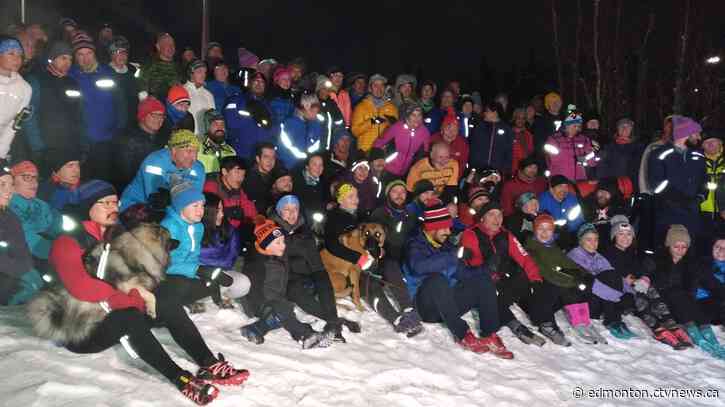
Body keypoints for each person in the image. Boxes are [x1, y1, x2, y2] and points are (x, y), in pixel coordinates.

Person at [48, 180, 248, 404]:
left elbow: (134, 277)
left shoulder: (115, 237)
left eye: (115, 202)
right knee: (129, 316)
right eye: (104, 203)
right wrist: (131, 299)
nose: (113, 208)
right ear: (87, 207)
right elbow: (82, 287)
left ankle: (209, 362)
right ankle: (180, 378)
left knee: (166, 300)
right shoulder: (67, 241)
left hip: (110, 314)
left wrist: (143, 295)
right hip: (80, 328)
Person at [403, 200, 513, 358]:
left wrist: (487, 269)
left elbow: (464, 273)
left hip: (448, 306)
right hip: (426, 308)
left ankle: (490, 334)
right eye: (444, 227)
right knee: (437, 279)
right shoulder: (415, 244)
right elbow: (419, 267)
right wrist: (455, 255)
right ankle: (463, 335)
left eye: (449, 227)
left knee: (482, 280)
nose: (448, 231)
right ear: (432, 227)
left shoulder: (446, 246)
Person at [325, 183, 423, 336]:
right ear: (340, 200)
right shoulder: (336, 217)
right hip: (350, 266)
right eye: (350, 197)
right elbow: (332, 245)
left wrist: (381, 251)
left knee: (390, 266)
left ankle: (408, 308)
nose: (356, 200)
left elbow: (374, 237)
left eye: (356, 196)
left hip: (369, 260)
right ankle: (396, 319)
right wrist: (359, 258)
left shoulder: (356, 214)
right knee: (370, 284)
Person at [270, 195, 360, 342]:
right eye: (287, 209)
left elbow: (316, 264)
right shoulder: (272, 231)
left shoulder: (304, 230)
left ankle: (333, 325)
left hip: (303, 274)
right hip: (284, 278)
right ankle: (335, 321)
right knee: (295, 289)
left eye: (295, 209)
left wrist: (319, 275)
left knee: (322, 278)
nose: (292, 213)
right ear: (279, 212)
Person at [240, 216, 334, 348]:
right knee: (283, 311)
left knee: (283, 312)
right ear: (265, 245)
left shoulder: (279, 254)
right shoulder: (257, 263)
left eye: (283, 241)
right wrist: (268, 306)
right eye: (278, 243)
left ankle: (256, 329)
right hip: (258, 303)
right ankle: (307, 336)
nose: (283, 245)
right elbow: (254, 291)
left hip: (276, 298)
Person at [459, 201, 545, 346]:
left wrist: (535, 278)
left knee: (525, 279)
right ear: (482, 218)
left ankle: (541, 319)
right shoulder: (471, 234)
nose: (496, 219)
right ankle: (515, 324)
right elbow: (473, 265)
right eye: (491, 215)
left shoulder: (506, 235)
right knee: (492, 294)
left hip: (503, 279)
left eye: (499, 215)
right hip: (482, 281)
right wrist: (490, 272)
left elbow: (523, 257)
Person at [602, 216, 692, 348]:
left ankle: (671, 324)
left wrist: (644, 278)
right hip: (617, 293)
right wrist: (632, 280)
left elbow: (639, 271)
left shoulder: (631, 253)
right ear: (614, 236)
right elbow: (610, 275)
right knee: (640, 293)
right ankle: (657, 329)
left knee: (650, 289)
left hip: (632, 287)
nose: (625, 237)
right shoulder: (608, 253)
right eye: (620, 234)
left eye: (629, 234)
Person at [653, 225, 725, 358]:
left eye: (684, 246)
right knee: (677, 292)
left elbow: (712, 283)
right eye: (676, 246)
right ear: (669, 245)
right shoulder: (657, 260)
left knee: (688, 298)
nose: (680, 250)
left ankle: (711, 339)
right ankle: (697, 337)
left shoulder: (692, 263)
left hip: (687, 308)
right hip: (665, 308)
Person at [524, 214, 591, 346]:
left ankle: (581, 319)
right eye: (541, 229)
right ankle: (547, 325)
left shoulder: (552, 247)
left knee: (575, 287)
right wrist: (571, 280)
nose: (544, 233)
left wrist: (584, 274)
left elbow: (567, 262)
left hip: (551, 295)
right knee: (554, 286)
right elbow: (548, 274)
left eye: (548, 229)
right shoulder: (532, 248)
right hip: (535, 299)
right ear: (535, 230)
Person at [68, 31, 126, 181]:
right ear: (75, 57)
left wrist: (118, 133)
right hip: (80, 143)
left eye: (88, 53)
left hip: (106, 141)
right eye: (80, 54)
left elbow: (121, 106)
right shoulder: (70, 76)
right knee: (82, 183)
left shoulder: (109, 73)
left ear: (94, 54)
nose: (85, 58)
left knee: (103, 182)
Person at [566, 223, 633, 343]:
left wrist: (629, 292)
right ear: (581, 241)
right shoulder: (574, 256)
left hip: (599, 300)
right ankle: (611, 319)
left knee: (611, 273)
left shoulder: (598, 256)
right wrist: (618, 297)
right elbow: (592, 283)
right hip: (584, 300)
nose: (593, 243)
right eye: (589, 240)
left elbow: (614, 275)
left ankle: (614, 318)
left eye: (596, 239)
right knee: (606, 276)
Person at [24, 41, 83, 175]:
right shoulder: (36, 80)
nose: (67, 62)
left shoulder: (73, 83)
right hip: (46, 148)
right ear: (52, 58)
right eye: (63, 58)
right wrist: (37, 147)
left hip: (69, 147)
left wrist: (82, 143)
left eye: (70, 59)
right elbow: (29, 117)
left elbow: (80, 115)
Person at [648, 116, 705, 247]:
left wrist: (700, 197)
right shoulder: (660, 154)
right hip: (668, 213)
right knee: (667, 250)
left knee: (690, 249)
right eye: (696, 133)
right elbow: (657, 185)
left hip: (693, 213)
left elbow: (705, 181)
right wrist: (680, 200)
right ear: (685, 133)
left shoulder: (698, 156)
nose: (699, 138)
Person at [120, 129, 205, 212]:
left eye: (196, 152)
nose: (194, 158)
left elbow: (195, 200)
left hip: (170, 209)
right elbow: (156, 199)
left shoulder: (198, 168)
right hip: (133, 207)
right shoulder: (155, 162)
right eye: (189, 151)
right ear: (174, 150)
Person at [0, 163, 41, 305]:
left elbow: (22, 251)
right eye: (2, 184)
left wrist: (27, 271)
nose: (9, 190)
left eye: (11, 185)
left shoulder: (10, 217)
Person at [9, 161, 62, 268]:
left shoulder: (42, 205)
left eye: (35, 178)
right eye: (27, 177)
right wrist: (58, 252)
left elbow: (56, 224)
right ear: (12, 181)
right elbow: (25, 235)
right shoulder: (7, 205)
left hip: (48, 253)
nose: (34, 183)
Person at [112, 96, 167, 191]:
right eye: (154, 115)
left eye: (162, 115)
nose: (159, 119)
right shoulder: (128, 141)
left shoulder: (162, 138)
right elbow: (124, 176)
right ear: (143, 116)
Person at [373, 102, 430, 177]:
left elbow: (424, 153)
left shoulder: (424, 132)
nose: (417, 118)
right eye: (413, 115)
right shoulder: (396, 128)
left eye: (419, 115)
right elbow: (378, 144)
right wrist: (378, 163)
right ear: (407, 116)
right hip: (388, 169)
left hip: (408, 173)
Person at [224, 71, 272, 159]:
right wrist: (254, 118)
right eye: (256, 81)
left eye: (262, 82)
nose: (259, 84)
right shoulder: (236, 100)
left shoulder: (268, 106)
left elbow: (274, 127)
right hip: (241, 152)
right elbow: (231, 124)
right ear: (249, 83)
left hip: (262, 156)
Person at [203, 156, 257, 231]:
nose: (240, 178)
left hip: (230, 231)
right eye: (237, 172)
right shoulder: (210, 186)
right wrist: (233, 212)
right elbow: (210, 213)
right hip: (212, 231)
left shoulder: (237, 188)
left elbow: (252, 213)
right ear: (224, 172)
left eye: (243, 175)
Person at [370, 180, 418, 262]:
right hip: (388, 258)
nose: (399, 195)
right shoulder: (379, 214)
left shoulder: (411, 214)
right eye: (394, 191)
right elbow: (372, 240)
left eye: (403, 192)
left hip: (411, 256)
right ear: (388, 195)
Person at [0, 36, 32, 160]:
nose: (17, 59)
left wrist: (2, 153)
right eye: (11, 54)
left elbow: (15, 124)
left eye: (19, 55)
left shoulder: (24, 88)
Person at [351, 74, 398, 152]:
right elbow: (355, 131)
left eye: (382, 85)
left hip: (384, 151)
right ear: (370, 88)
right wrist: (371, 121)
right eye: (375, 85)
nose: (379, 89)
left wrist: (389, 124)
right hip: (365, 151)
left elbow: (396, 130)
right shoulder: (360, 107)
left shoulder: (392, 108)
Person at [544, 112, 597, 181]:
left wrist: (587, 159)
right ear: (566, 125)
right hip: (560, 179)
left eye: (579, 126)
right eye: (574, 126)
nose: (577, 129)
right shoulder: (554, 139)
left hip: (580, 178)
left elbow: (591, 159)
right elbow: (552, 159)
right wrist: (576, 158)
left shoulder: (584, 139)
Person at [277, 93, 324, 169]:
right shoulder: (291, 124)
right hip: (291, 166)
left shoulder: (314, 123)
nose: (315, 114)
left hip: (306, 166)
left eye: (316, 111)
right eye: (313, 111)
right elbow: (289, 150)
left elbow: (315, 145)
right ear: (305, 108)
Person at [595, 118, 644, 189]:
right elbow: (601, 167)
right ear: (617, 129)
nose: (624, 128)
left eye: (628, 126)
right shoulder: (608, 147)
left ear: (632, 129)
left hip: (632, 186)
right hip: (612, 186)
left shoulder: (640, 147)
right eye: (621, 126)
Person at [469, 101, 514, 175]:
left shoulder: (506, 129)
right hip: (478, 170)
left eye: (487, 111)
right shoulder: (479, 127)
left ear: (495, 113)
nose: (485, 113)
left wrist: (505, 169)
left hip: (497, 171)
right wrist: (473, 165)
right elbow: (472, 147)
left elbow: (509, 151)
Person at [699, 133, 725, 254]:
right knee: (702, 245)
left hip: (723, 212)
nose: (710, 144)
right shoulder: (697, 160)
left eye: (713, 141)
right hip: (702, 210)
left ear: (720, 144)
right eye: (707, 142)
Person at [107, 36, 140, 129]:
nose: (122, 56)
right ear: (111, 54)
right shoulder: (104, 73)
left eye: (124, 52)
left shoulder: (133, 74)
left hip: (132, 125)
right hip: (112, 125)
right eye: (118, 52)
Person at [537, 175, 585, 240]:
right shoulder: (543, 200)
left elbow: (579, 219)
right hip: (550, 235)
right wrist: (555, 227)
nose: (564, 190)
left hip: (570, 234)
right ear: (551, 189)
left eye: (566, 186)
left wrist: (568, 227)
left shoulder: (572, 199)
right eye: (560, 186)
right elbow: (538, 220)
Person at [141, 32, 181, 102]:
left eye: (172, 44)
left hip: (175, 109)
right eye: (166, 44)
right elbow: (142, 93)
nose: (171, 47)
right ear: (158, 47)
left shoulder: (180, 68)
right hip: (156, 110)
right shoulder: (148, 67)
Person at [291, 153, 327, 226]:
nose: (318, 168)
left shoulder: (322, 182)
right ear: (307, 167)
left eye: (321, 165)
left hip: (317, 220)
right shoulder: (296, 182)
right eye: (315, 164)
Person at [429, 108, 469, 174]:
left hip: (452, 178)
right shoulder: (433, 140)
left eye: (455, 130)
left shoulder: (462, 144)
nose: (451, 133)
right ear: (442, 130)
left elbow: (462, 165)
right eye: (448, 129)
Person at [696, 237, 725, 326]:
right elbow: (711, 283)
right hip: (703, 303)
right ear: (711, 247)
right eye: (717, 247)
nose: (721, 250)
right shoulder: (701, 264)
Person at [197, 109, 236, 174]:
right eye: (215, 124)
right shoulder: (197, 149)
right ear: (207, 127)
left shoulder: (231, 152)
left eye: (222, 124)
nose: (220, 128)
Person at [243, 142, 278, 213]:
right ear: (258, 159)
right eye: (266, 157)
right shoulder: (247, 179)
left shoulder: (277, 176)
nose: (270, 161)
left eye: (273, 157)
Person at [184, 59, 215, 134]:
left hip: (204, 138)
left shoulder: (208, 95)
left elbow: (212, 118)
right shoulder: (182, 91)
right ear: (191, 74)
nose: (203, 75)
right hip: (187, 138)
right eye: (199, 72)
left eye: (204, 72)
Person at [316, 75, 346, 149]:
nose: (326, 92)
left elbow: (340, 125)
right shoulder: (313, 103)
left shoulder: (332, 105)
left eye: (328, 89)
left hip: (330, 147)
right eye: (323, 89)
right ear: (318, 89)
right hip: (315, 148)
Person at [511, 107, 535, 173]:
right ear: (514, 118)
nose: (521, 121)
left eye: (523, 118)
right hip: (511, 169)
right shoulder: (508, 133)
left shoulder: (529, 135)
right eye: (518, 118)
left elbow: (530, 152)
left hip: (524, 169)